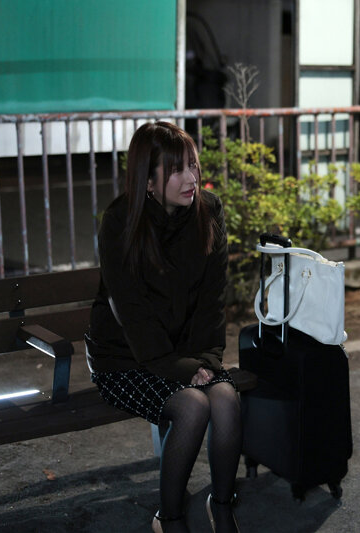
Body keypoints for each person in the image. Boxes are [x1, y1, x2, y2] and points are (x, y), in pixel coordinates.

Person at [85, 121, 241, 533]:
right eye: (176, 170)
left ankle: (222, 509)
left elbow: (212, 297)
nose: (191, 178)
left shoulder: (208, 211)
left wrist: (204, 359)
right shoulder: (120, 222)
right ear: (149, 180)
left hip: (188, 352)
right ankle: (169, 520)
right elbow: (131, 312)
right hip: (125, 357)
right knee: (192, 407)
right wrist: (183, 369)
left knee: (226, 400)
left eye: (193, 165)